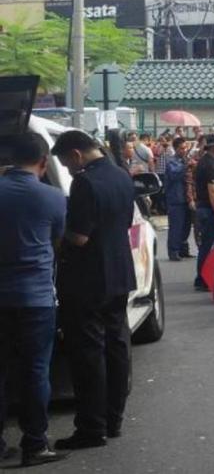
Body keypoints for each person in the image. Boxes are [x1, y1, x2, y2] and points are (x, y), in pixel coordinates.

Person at [50, 131, 137, 450]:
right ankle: (113, 420)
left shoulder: (84, 183)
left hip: (88, 280)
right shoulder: (121, 175)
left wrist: (57, 240)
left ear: (76, 154)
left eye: (65, 162)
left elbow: (79, 237)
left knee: (88, 353)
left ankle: (91, 427)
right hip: (118, 273)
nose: (68, 169)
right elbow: (124, 221)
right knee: (116, 346)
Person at [0, 133, 69, 467]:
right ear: (44, 162)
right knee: (35, 371)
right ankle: (34, 444)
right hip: (36, 298)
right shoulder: (53, 197)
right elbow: (59, 241)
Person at [193, 133, 214, 291]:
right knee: (209, 245)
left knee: (206, 245)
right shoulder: (212, 165)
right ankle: (203, 279)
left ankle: (202, 278)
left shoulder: (204, 161)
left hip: (202, 207)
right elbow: (213, 191)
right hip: (208, 208)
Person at [165, 137, 193, 261]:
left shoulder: (185, 159)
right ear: (176, 149)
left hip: (187, 197)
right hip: (176, 198)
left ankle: (183, 249)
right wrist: (186, 166)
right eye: (182, 148)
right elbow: (174, 174)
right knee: (176, 226)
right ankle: (173, 251)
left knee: (186, 226)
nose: (184, 150)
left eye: (186, 148)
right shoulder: (172, 161)